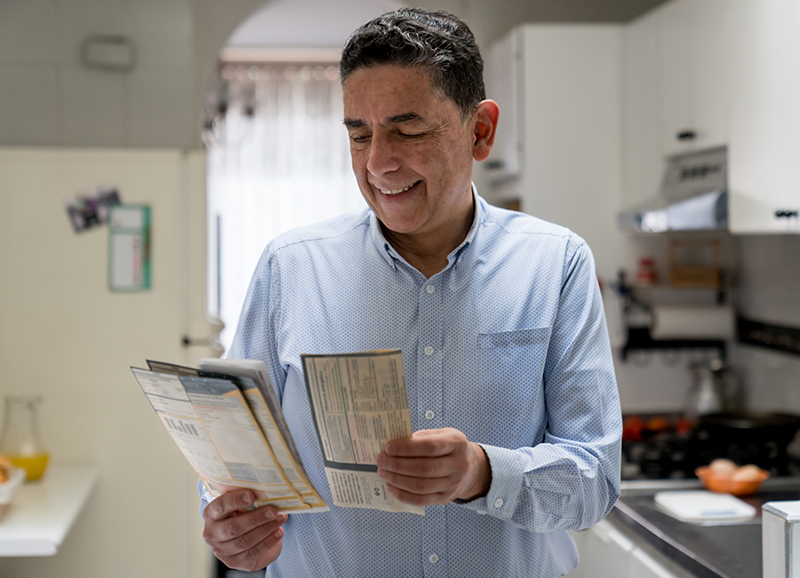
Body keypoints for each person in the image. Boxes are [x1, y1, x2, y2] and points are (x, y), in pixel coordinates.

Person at [200, 8, 622, 577]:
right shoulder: (289, 269)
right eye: (359, 134)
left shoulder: (557, 265)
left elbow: (596, 478)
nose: (378, 162)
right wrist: (227, 521)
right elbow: (235, 463)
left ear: (481, 131)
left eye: (408, 129)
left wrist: (481, 472)